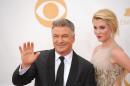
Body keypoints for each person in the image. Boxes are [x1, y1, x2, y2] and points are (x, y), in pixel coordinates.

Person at [12, 18, 96, 86]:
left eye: (64, 36)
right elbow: (18, 81)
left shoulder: (86, 67)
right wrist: (25, 65)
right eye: (56, 36)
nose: (60, 41)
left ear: (73, 38)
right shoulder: (38, 58)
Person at [91, 9, 130, 86]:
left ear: (112, 27)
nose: (97, 32)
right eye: (95, 27)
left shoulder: (116, 52)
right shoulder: (97, 49)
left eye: (102, 27)